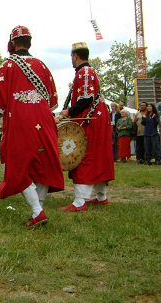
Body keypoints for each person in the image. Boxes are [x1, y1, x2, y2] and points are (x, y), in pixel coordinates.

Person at [0, 25, 63, 227]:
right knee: (42, 161)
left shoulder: (7, 66)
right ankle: (38, 208)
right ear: (30, 43)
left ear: (12, 43)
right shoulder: (43, 66)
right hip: (45, 119)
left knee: (15, 162)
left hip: (21, 120)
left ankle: (37, 211)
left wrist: (1, 111)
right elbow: (53, 99)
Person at [59, 42, 114, 212]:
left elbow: (86, 99)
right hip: (96, 118)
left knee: (83, 155)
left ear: (75, 55)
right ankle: (101, 197)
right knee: (97, 155)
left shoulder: (84, 72)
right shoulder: (86, 72)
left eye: (71, 56)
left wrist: (67, 112)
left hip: (91, 120)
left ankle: (79, 202)